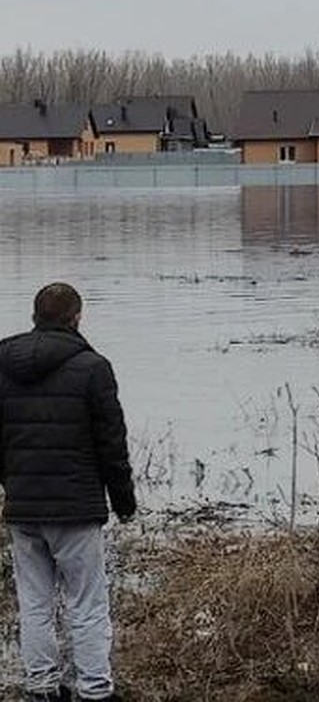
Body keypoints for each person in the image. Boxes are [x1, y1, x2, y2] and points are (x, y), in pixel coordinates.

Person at [0, 282, 136, 702]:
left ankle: (41, 688)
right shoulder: (93, 367)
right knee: (88, 603)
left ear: (34, 316)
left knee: (35, 602)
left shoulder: (2, 362)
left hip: (23, 506)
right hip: (76, 508)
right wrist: (124, 502)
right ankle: (95, 689)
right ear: (76, 317)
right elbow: (111, 442)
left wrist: (10, 484)